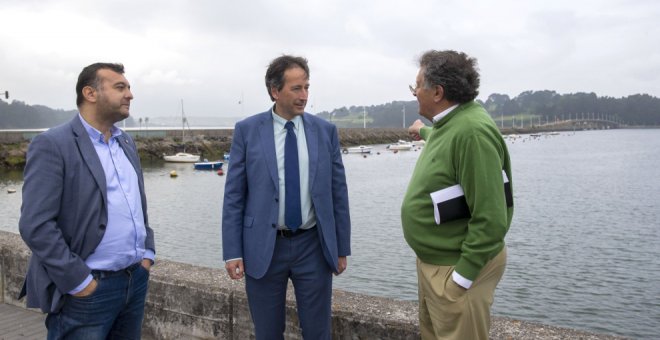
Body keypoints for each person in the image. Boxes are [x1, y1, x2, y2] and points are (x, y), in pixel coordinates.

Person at [18, 63, 155, 339]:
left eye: (128, 87)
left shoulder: (126, 142)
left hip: (134, 281)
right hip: (89, 289)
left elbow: (137, 205)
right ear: (90, 93)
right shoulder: (53, 144)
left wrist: (147, 254)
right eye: (120, 87)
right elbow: (36, 224)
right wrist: (79, 281)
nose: (130, 94)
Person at [222, 55, 351, 340]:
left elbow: (338, 192)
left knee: (318, 332)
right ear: (274, 91)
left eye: (306, 87)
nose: (304, 96)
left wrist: (341, 247)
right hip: (263, 247)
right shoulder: (247, 130)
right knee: (267, 333)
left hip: (313, 246)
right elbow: (234, 195)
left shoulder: (325, 131)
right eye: (296, 88)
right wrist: (232, 251)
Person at [401, 50, 513, 340]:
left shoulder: (472, 132)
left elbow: (491, 218)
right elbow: (444, 140)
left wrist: (460, 280)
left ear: (437, 92)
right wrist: (423, 132)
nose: (414, 93)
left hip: (455, 271)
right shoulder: (449, 123)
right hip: (436, 264)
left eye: (417, 86)